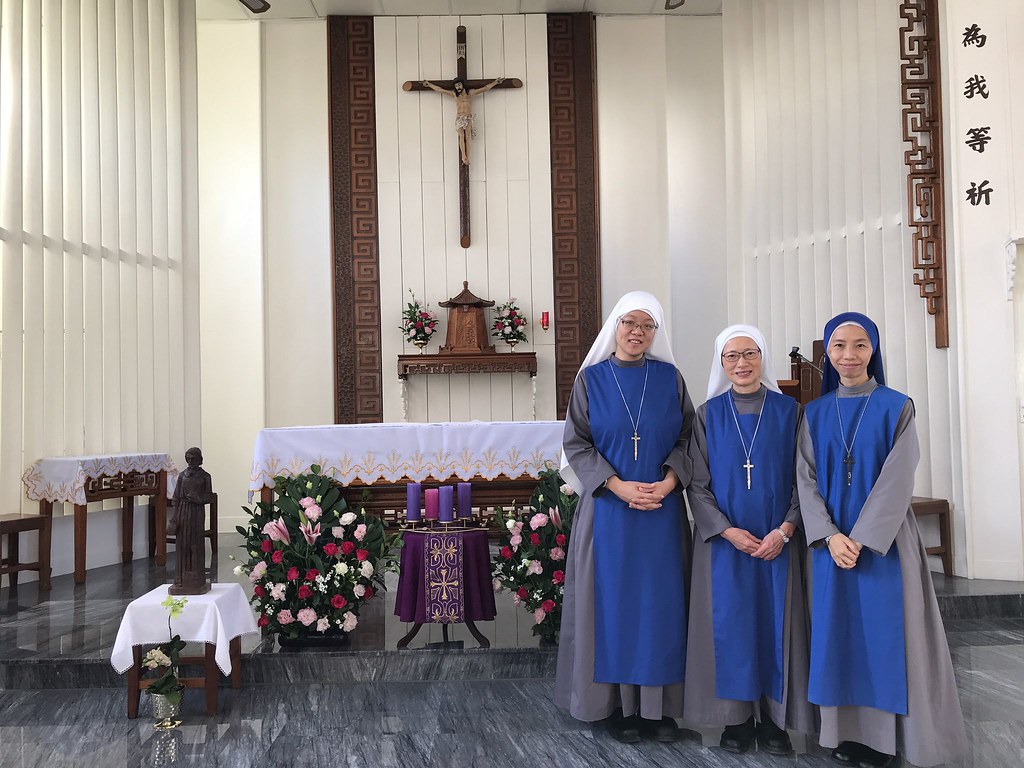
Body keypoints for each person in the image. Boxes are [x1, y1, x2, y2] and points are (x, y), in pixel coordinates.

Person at [797, 312, 966, 768]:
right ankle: (843, 733)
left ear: (873, 350)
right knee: (838, 637)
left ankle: (887, 738)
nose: (848, 356)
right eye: (838, 347)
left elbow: (897, 478)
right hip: (831, 547)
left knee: (884, 637)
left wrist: (863, 538)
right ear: (827, 355)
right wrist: (831, 537)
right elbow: (805, 481)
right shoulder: (813, 412)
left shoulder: (897, 405)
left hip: (884, 544)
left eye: (859, 345)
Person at [555, 291, 694, 744]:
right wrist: (617, 485)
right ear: (615, 325)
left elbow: (690, 437)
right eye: (630, 323)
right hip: (610, 512)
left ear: (656, 333)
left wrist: (671, 481)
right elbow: (576, 443)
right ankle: (616, 706)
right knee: (613, 607)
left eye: (647, 325)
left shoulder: (670, 378)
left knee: (661, 607)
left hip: (661, 512)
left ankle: (658, 709)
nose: (638, 332)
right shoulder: (591, 381)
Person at [683, 325, 815, 755]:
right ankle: (735, 723)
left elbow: (805, 478)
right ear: (721, 363)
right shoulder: (706, 415)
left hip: (778, 541)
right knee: (732, 626)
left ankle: (775, 723)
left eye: (750, 354)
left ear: (763, 358)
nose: (742, 363)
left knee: (776, 626)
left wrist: (787, 529)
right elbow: (696, 484)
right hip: (727, 543)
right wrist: (725, 530)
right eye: (732, 356)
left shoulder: (790, 412)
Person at [419, 76, 505, 165]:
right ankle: (463, 156)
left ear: (463, 85)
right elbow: (439, 90)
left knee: (468, 136)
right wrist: (429, 84)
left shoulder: (470, 93)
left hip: (468, 118)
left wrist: (495, 82)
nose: (458, 87)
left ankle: (468, 157)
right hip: (459, 118)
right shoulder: (454, 95)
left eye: (459, 85)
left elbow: (485, 88)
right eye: (456, 86)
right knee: (461, 136)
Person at [168, 446, 213, 596]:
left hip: (196, 512)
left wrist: (198, 499)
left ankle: (196, 578)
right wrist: (175, 516)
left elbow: (209, 496)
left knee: (195, 543)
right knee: (182, 545)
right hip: (183, 511)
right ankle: (180, 579)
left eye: (193, 458)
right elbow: (175, 497)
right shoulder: (182, 476)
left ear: (200, 459)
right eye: (188, 458)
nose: (190, 461)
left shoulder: (205, 476)